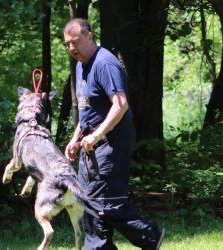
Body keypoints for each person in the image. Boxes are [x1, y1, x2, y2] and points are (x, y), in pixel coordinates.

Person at [63, 18, 165, 250]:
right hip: (90, 142)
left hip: (111, 142)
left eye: (76, 42)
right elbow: (87, 109)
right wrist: (75, 138)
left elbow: (120, 105)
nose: (72, 48)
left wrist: (96, 136)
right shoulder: (80, 65)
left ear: (90, 36)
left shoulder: (105, 63)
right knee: (86, 199)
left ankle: (149, 235)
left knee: (105, 201)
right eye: (67, 44)